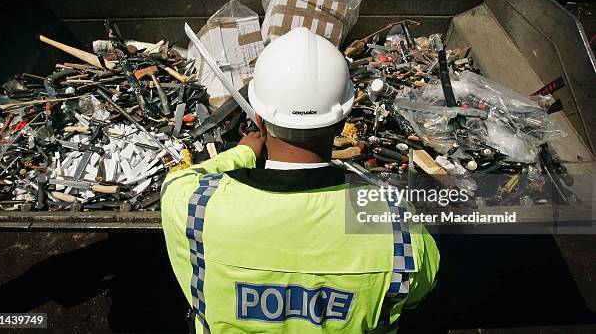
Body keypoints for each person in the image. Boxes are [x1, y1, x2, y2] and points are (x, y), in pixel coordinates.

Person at [161, 27, 439, 333]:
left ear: (258, 120)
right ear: (342, 122)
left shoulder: (196, 208)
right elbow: (419, 291)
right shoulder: (393, 221)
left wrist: (241, 154)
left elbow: (178, 182)